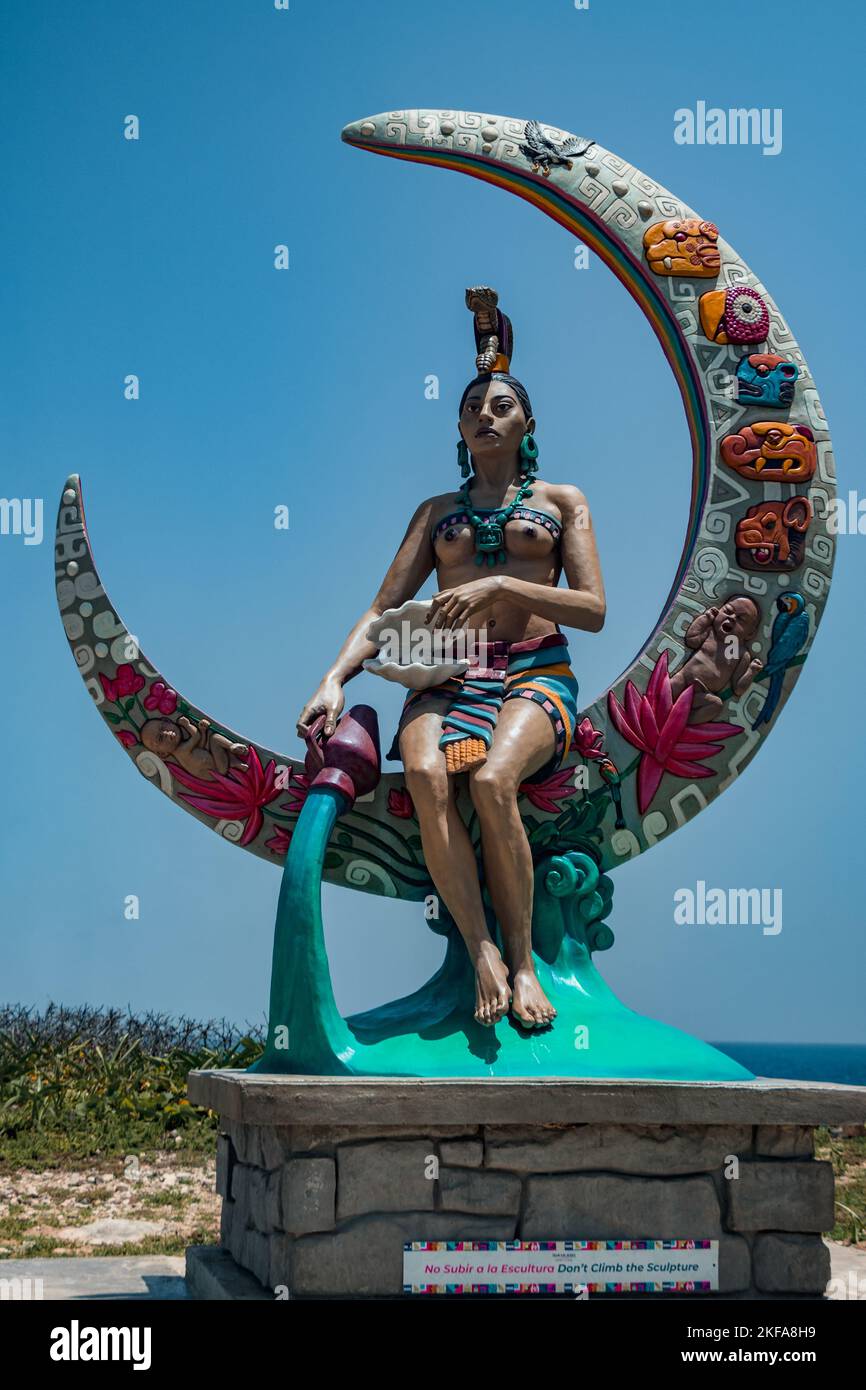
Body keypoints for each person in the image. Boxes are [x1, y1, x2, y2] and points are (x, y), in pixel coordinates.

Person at [298, 288, 605, 1030]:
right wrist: (334, 679)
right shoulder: (438, 513)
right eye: (472, 407)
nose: (485, 415)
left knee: (496, 780)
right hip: (445, 669)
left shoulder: (562, 502)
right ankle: (480, 953)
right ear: (458, 426)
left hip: (535, 669)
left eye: (501, 405)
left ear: (527, 422)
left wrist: (502, 581)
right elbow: (382, 609)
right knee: (430, 775)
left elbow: (594, 610)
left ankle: (526, 962)